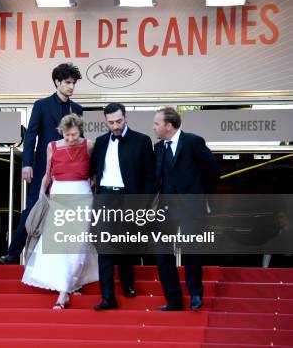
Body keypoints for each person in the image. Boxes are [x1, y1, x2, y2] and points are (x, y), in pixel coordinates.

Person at [0, 63, 83, 265]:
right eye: (68, 82)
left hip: (69, 170)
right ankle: (13, 253)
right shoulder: (41, 105)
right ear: (57, 82)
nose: (71, 87)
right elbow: (31, 136)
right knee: (33, 208)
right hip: (43, 167)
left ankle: (57, 261)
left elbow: (80, 140)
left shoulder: (78, 109)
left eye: (73, 83)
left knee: (66, 212)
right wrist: (27, 163)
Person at [21, 114, 99, 309]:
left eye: (74, 134)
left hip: (82, 194)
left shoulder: (89, 145)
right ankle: (65, 289)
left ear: (79, 131)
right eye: (66, 135)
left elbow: (96, 172)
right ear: (61, 132)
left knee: (78, 243)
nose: (70, 139)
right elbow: (47, 173)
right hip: (59, 193)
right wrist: (41, 196)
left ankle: (69, 286)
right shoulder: (52, 146)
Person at [90, 103, 156, 310]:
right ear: (105, 121)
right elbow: (92, 171)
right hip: (105, 198)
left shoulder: (142, 141)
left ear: (125, 117)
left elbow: (150, 177)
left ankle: (128, 284)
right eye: (111, 122)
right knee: (105, 248)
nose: (115, 126)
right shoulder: (100, 143)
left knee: (126, 245)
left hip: (130, 198)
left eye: (119, 121)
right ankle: (107, 297)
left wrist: (143, 204)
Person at [152, 107, 219, 311]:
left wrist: (200, 195)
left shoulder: (193, 142)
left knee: (192, 251)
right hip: (166, 208)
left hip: (191, 206)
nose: (153, 127)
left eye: (156, 124)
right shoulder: (158, 148)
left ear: (169, 126)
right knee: (162, 253)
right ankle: (173, 300)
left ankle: (196, 295)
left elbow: (213, 171)